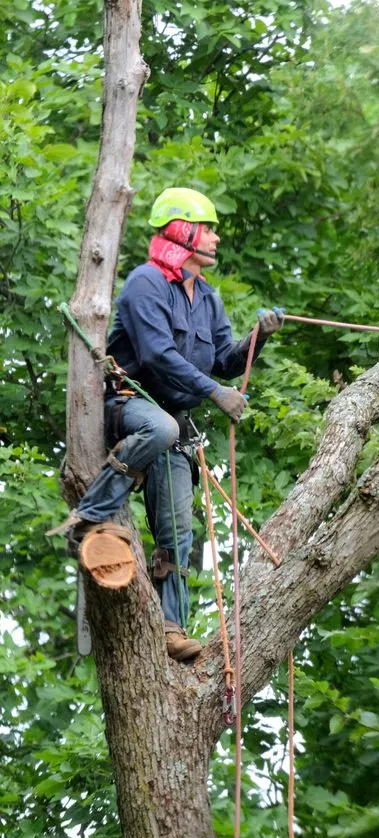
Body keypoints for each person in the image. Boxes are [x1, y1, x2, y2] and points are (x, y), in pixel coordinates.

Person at [54, 187, 283, 661]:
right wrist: (216, 395)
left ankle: (170, 627)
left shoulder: (207, 298)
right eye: (209, 229)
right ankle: (89, 515)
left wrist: (256, 339)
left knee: (179, 529)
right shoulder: (146, 283)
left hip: (171, 425)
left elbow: (222, 360)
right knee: (160, 429)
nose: (217, 238)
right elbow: (159, 354)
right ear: (184, 231)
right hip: (126, 408)